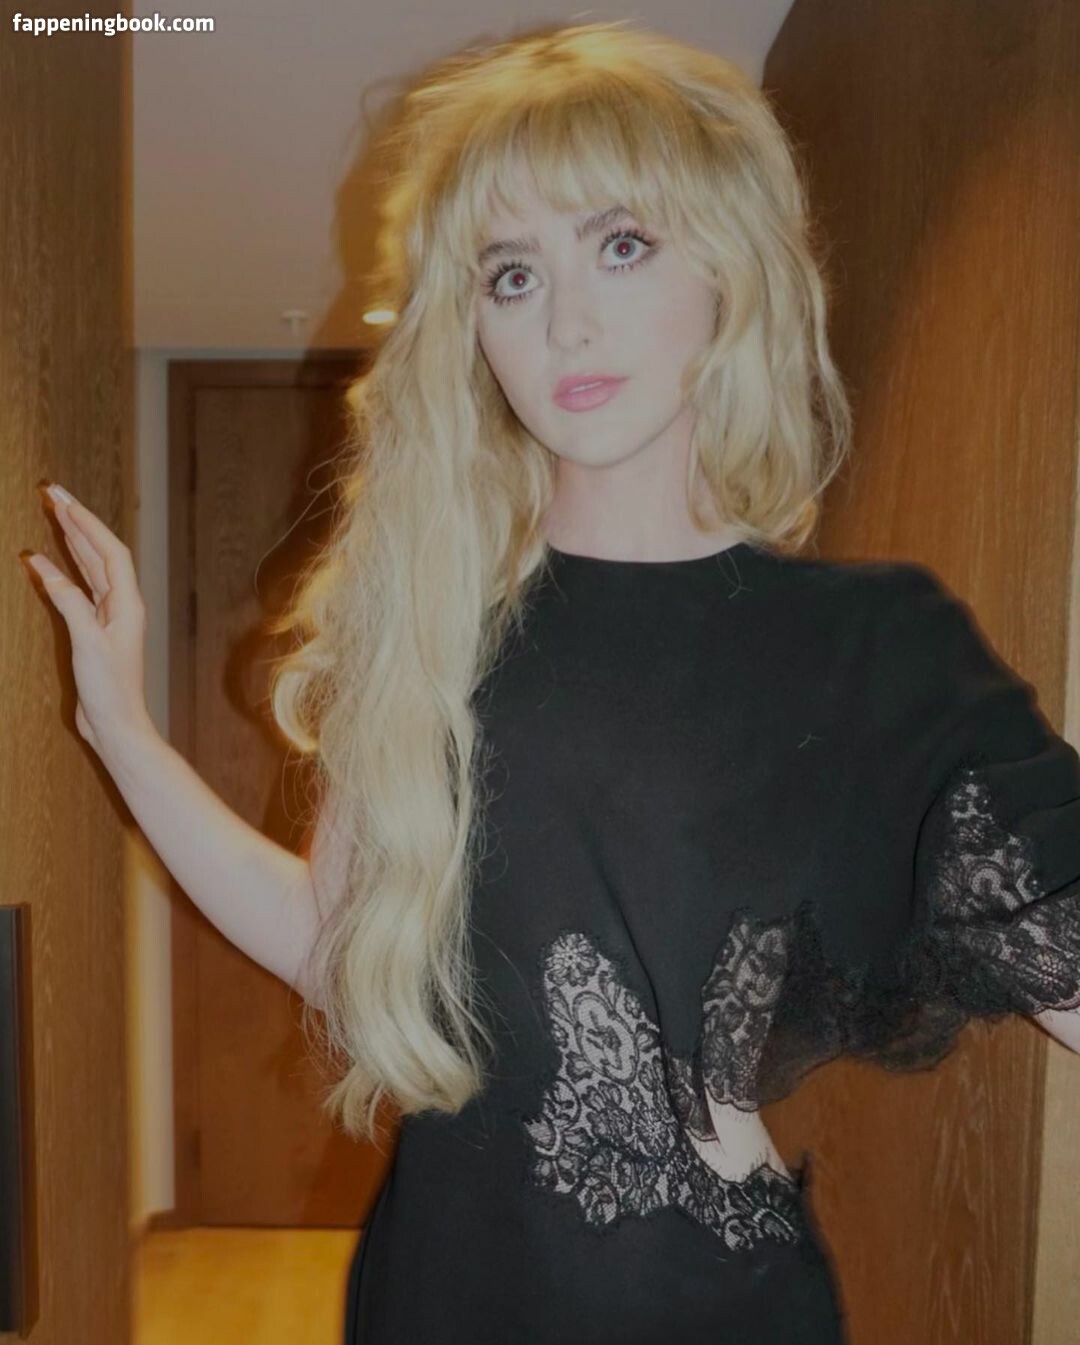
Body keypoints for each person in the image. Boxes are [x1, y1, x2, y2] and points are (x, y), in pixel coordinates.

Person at [22, 19, 1080, 1345]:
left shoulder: (875, 650)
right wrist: (119, 727)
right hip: (429, 1291)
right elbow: (337, 947)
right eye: (512, 275)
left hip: (706, 1310)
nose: (567, 321)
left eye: (621, 245)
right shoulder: (433, 625)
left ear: (729, 267)